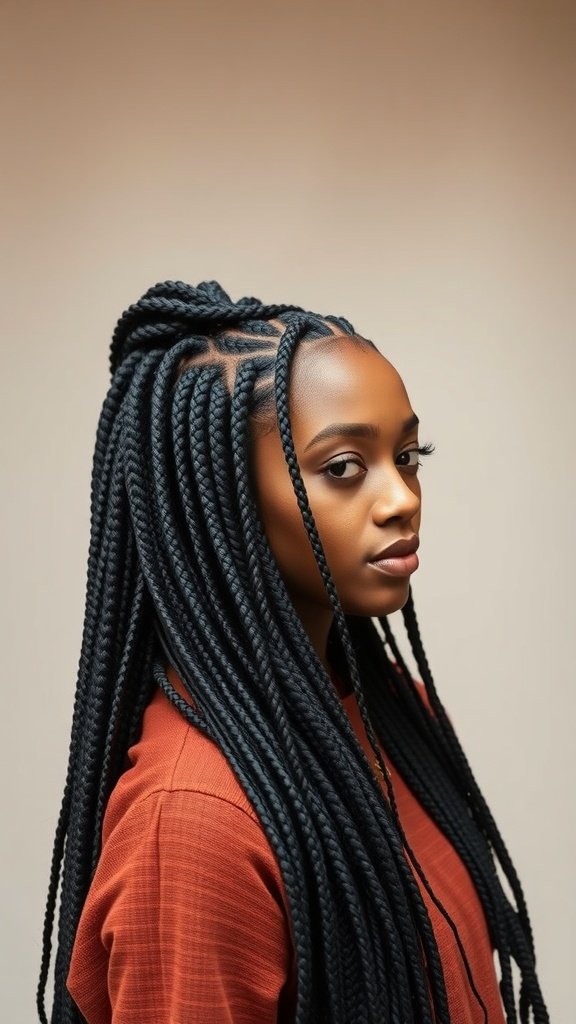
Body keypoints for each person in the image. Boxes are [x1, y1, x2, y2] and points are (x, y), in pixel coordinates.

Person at [38, 281, 549, 1024]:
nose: (403, 496)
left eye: (409, 454)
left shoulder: (391, 710)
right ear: (226, 501)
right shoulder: (192, 830)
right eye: (343, 466)